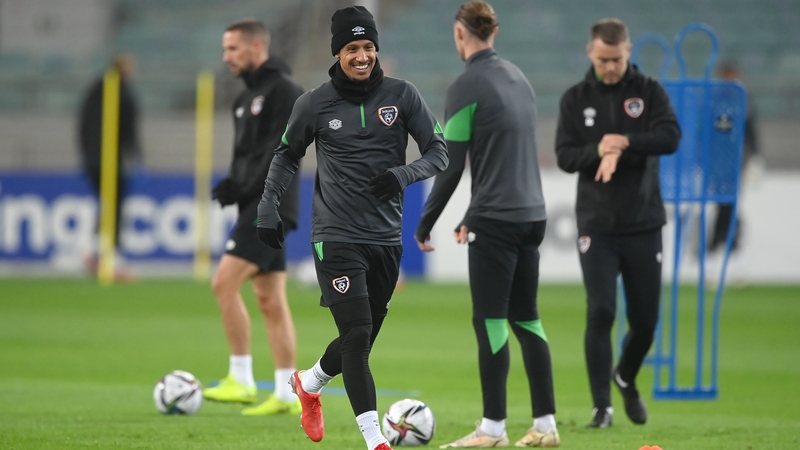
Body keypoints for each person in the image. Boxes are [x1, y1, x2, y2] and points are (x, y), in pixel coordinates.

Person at [256, 6, 448, 450]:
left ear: (376, 48)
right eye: (351, 49)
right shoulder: (314, 103)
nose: (361, 56)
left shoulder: (403, 96)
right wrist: (268, 204)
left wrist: (403, 175)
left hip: (385, 239)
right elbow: (286, 155)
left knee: (358, 337)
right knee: (358, 338)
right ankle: (374, 440)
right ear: (337, 53)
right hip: (335, 236)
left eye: (367, 47)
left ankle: (309, 382)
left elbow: (439, 152)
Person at [414, 2, 559, 448]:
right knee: (528, 320)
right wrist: (471, 214)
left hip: (496, 220)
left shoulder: (465, 86)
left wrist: (425, 222)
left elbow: (451, 165)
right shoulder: (519, 78)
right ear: (493, 31)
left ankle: (492, 429)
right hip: (530, 214)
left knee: (491, 322)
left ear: (461, 33)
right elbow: (504, 162)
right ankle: (546, 426)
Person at [555, 18, 681, 428]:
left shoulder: (648, 91)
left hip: (644, 221)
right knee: (602, 312)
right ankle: (602, 407)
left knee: (645, 321)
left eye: (618, 59)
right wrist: (598, 148)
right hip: (597, 224)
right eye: (604, 59)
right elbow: (565, 156)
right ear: (591, 53)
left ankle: (625, 375)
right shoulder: (576, 98)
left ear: (629, 52)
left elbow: (671, 137)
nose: (611, 67)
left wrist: (624, 142)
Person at [201, 19, 304, 417]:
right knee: (270, 299)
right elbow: (247, 154)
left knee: (223, 283)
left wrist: (245, 189)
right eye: (225, 50)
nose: (226, 57)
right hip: (254, 204)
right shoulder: (243, 98)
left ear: (257, 47)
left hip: (270, 205)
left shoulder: (284, 92)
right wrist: (234, 182)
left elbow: (281, 153)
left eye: (233, 49)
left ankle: (241, 379)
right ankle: (286, 391)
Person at [77, 53, 142, 281]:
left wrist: (86, 155)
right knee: (114, 203)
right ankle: (108, 254)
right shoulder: (121, 92)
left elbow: (83, 124)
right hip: (110, 159)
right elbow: (129, 125)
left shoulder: (95, 91)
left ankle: (93, 249)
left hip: (94, 159)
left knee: (108, 203)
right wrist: (135, 153)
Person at [708, 61, 760, 256]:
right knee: (720, 199)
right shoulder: (714, 100)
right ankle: (720, 239)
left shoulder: (744, 101)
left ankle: (730, 239)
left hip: (737, 160)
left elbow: (751, 131)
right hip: (717, 160)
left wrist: (755, 156)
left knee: (733, 199)